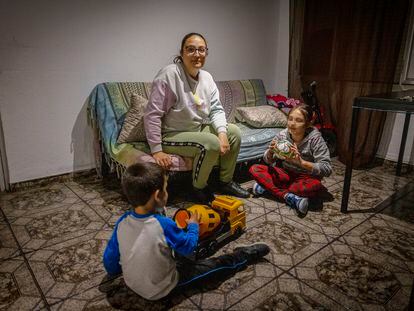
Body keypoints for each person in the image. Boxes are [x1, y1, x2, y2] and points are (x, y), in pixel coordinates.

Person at [103, 162, 270, 301]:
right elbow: (189, 246)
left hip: (131, 283)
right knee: (216, 266)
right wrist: (193, 226)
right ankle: (244, 255)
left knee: (170, 244)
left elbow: (110, 262)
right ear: (158, 195)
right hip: (161, 289)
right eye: (166, 188)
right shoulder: (164, 224)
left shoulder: (122, 222)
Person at [144, 32, 249, 203]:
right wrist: (157, 150)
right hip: (171, 134)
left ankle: (225, 182)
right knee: (211, 143)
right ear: (182, 53)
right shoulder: (169, 75)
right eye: (191, 50)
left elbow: (216, 109)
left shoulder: (207, 78)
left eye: (201, 50)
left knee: (234, 132)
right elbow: (152, 114)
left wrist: (222, 134)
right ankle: (198, 188)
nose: (197, 54)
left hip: (196, 129)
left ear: (206, 52)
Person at [249, 105, 332, 216]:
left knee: (312, 185)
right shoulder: (282, 135)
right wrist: (270, 152)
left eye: (299, 121)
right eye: (290, 119)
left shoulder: (315, 139)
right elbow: (267, 160)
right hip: (286, 173)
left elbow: (327, 169)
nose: (292, 123)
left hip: (306, 176)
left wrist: (302, 162)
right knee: (255, 169)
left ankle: (267, 188)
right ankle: (291, 197)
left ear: (307, 124)